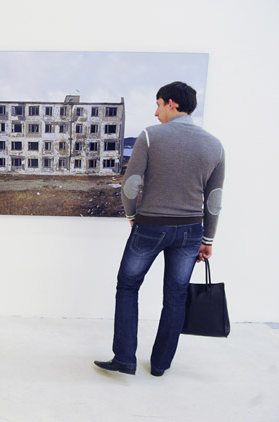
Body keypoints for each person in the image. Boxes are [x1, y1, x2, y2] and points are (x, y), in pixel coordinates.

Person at [94, 81, 225, 376]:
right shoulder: (215, 145)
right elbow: (214, 200)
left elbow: (131, 184)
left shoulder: (151, 137)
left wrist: (132, 216)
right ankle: (161, 365)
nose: (155, 113)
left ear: (172, 104)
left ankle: (125, 359)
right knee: (175, 296)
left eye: (158, 104)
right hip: (191, 231)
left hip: (150, 226)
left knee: (128, 287)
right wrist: (208, 239)